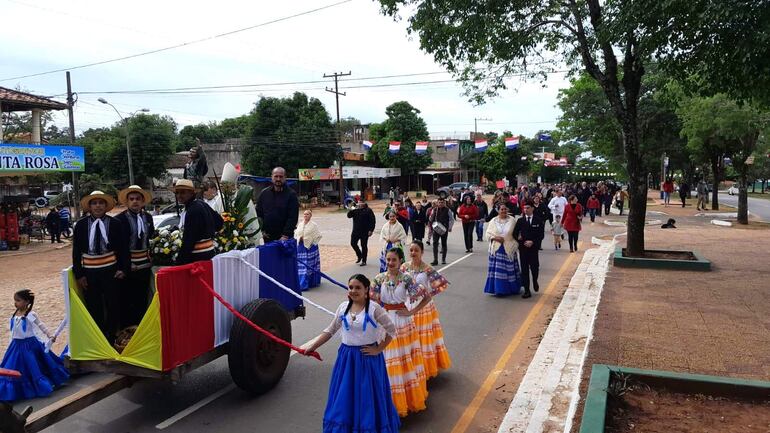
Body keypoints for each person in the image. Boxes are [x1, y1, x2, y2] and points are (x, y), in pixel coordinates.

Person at [303, 274, 400, 433]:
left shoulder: (374, 308)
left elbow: (391, 330)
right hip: (346, 359)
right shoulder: (343, 307)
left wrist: (378, 349)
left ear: (366, 289)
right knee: (344, 398)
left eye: (358, 287)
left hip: (367, 359)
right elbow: (330, 330)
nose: (353, 291)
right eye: (351, 287)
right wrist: (313, 346)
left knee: (367, 399)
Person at [372, 248, 431, 416]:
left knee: (403, 360)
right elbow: (372, 301)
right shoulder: (378, 279)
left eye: (394, 260)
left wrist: (412, 312)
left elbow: (426, 296)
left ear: (400, 261)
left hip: (403, 322)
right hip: (384, 322)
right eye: (388, 259)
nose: (390, 263)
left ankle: (405, 399)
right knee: (388, 360)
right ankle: (387, 399)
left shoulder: (407, 279)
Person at [73, 190, 128, 343]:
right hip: (89, 272)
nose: (98, 206)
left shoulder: (115, 224)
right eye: (94, 203)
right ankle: (98, 337)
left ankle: (112, 335)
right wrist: (79, 275)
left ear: (106, 206)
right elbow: (76, 251)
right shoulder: (81, 225)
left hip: (111, 270)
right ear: (89, 206)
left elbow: (123, 248)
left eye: (101, 203)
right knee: (94, 305)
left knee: (113, 303)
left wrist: (122, 268)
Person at [0, 289, 69, 400]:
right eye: (15, 300)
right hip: (16, 345)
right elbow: (13, 332)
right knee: (13, 367)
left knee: (33, 366)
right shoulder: (15, 314)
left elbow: (40, 325)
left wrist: (49, 335)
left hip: (30, 345)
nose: (15, 303)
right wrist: (10, 344)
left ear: (27, 302)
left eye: (18, 300)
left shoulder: (31, 314)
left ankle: (39, 387)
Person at [401, 240, 451, 379]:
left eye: (416, 250)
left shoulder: (428, 269)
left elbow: (438, 286)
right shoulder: (404, 268)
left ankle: (424, 368)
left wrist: (423, 296)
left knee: (423, 338)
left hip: (424, 308)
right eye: (411, 250)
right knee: (409, 338)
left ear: (422, 252)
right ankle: (413, 368)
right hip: (407, 305)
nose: (413, 253)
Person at [115, 185, 155, 328]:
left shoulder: (148, 217)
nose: (135, 202)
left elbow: (152, 239)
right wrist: (124, 265)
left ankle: (142, 329)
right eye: (131, 199)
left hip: (144, 265)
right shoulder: (119, 220)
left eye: (138, 199)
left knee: (142, 299)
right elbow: (118, 246)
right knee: (127, 299)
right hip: (128, 266)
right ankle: (127, 332)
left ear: (143, 201)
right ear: (127, 202)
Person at [174, 179, 224, 265]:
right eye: (177, 193)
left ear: (191, 193)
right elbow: (219, 222)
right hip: (209, 254)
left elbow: (189, 240)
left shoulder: (192, 210)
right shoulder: (201, 204)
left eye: (182, 192)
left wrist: (179, 262)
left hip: (198, 258)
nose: (179, 196)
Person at [484, 204, 522, 297]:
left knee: (509, 269)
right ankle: (499, 290)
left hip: (509, 248)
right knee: (498, 271)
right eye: (502, 209)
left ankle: (512, 288)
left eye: (505, 209)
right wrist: (495, 238)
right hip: (497, 248)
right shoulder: (493, 221)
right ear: (498, 211)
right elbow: (488, 234)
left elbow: (517, 232)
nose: (503, 211)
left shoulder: (512, 220)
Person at [256, 167, 299, 243]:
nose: (278, 179)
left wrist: (285, 235)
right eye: (276, 176)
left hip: (285, 239)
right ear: (272, 177)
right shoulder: (264, 193)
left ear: (285, 178)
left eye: (281, 176)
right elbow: (258, 214)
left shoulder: (291, 195)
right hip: (267, 237)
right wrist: (261, 231)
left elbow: (293, 217)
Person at [514, 201, 545, 299]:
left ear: (532, 208)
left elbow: (541, 235)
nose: (525, 210)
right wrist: (521, 241)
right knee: (524, 270)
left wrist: (533, 242)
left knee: (535, 268)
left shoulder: (538, 220)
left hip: (533, 249)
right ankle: (527, 290)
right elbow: (515, 234)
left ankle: (535, 280)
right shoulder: (520, 221)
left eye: (527, 208)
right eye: (524, 208)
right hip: (523, 249)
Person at [295, 210, 322, 291]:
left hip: (310, 248)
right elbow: (296, 234)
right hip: (301, 247)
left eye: (307, 214)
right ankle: (301, 284)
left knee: (309, 265)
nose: (305, 215)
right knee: (301, 266)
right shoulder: (300, 224)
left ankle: (311, 282)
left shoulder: (313, 225)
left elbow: (318, 235)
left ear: (310, 215)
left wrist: (310, 242)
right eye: (304, 214)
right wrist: (299, 238)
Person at [347, 201, 376, 266]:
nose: (359, 204)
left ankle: (364, 261)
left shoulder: (368, 210)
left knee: (364, 246)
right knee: (353, 243)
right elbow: (349, 216)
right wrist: (351, 209)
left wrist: (371, 230)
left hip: (365, 232)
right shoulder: (355, 209)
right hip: (355, 231)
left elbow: (372, 220)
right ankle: (359, 255)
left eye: (361, 202)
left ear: (364, 203)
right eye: (359, 202)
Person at [428, 197, 454, 266]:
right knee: (435, 244)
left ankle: (443, 259)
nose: (440, 204)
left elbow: (451, 219)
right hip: (436, 229)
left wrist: (450, 227)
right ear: (437, 203)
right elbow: (430, 219)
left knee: (444, 244)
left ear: (444, 203)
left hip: (444, 229)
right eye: (439, 202)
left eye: (442, 202)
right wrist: (431, 216)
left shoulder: (448, 210)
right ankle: (435, 260)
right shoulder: (435, 210)